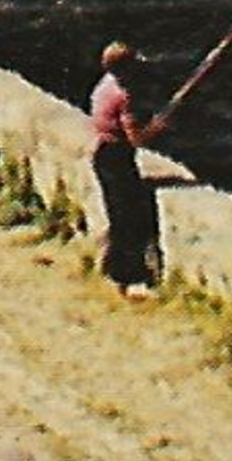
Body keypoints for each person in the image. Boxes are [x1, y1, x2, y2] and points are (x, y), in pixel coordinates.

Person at [89, 42, 168, 297]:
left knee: (118, 213)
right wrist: (159, 125)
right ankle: (129, 278)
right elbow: (136, 138)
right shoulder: (125, 96)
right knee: (128, 219)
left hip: (103, 153)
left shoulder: (105, 85)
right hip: (117, 157)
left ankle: (112, 267)